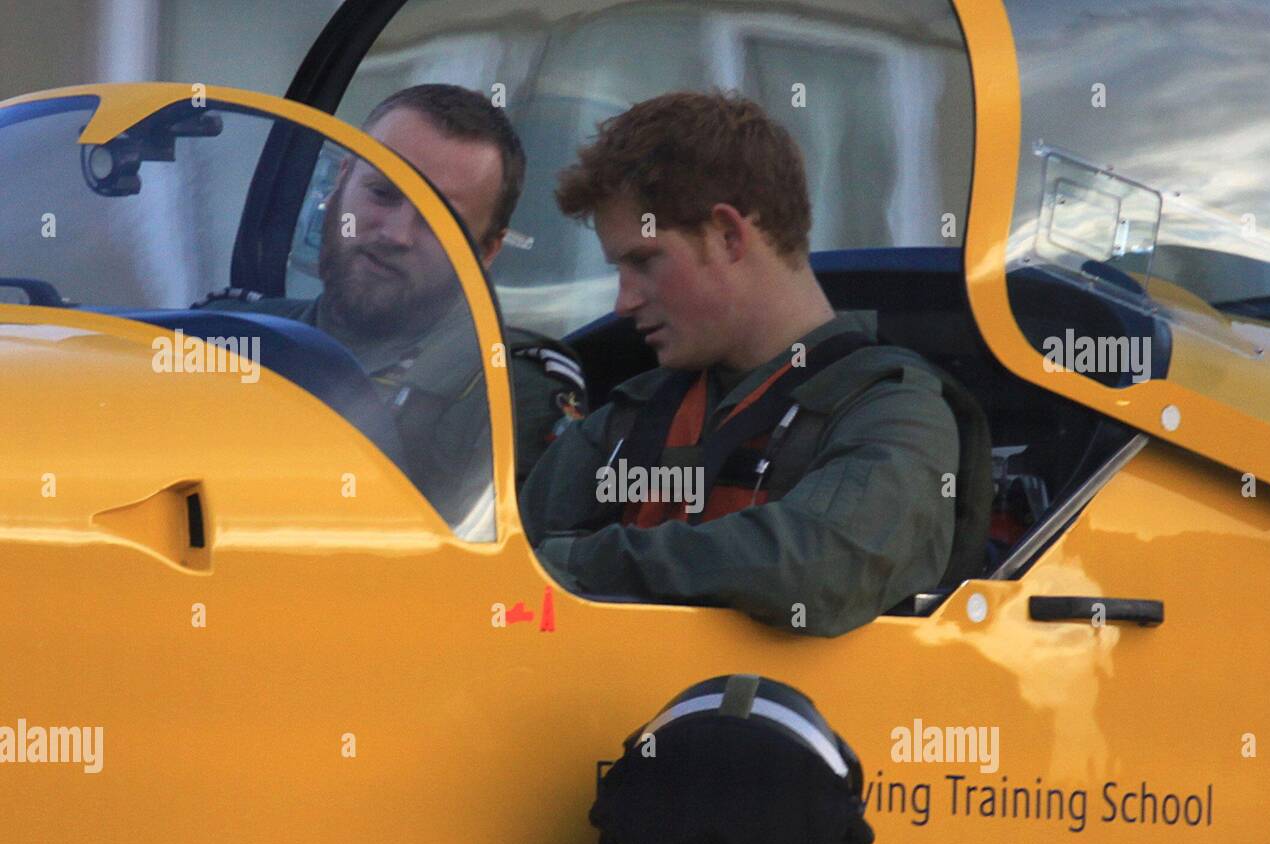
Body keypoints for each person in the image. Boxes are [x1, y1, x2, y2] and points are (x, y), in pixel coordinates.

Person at [521, 91, 980, 637]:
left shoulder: (898, 408)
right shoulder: (628, 417)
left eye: (643, 261)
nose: (623, 302)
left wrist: (584, 563)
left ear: (729, 235)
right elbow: (498, 566)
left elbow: (821, 565)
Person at [199, 84, 586, 509]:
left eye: (440, 219)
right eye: (382, 193)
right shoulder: (225, 331)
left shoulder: (503, 388)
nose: (396, 235)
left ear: (486, 251)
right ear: (340, 182)